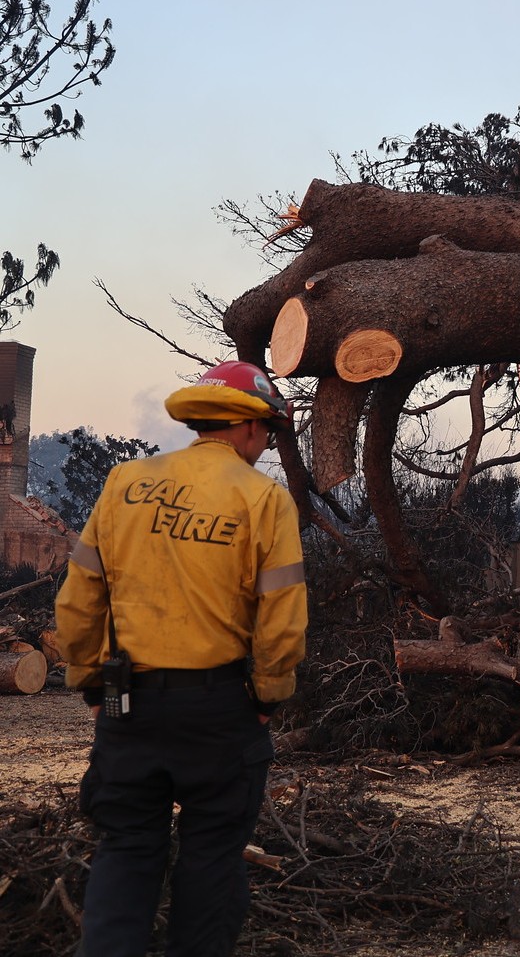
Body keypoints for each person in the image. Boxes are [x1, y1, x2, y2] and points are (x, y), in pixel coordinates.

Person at [56, 360, 308, 957]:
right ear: (249, 427)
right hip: (220, 711)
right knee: (213, 861)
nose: (267, 443)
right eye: (267, 431)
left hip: (129, 708)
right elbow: (281, 619)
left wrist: (94, 685)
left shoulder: (124, 484)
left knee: (125, 850)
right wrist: (269, 697)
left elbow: (78, 599)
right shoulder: (263, 500)